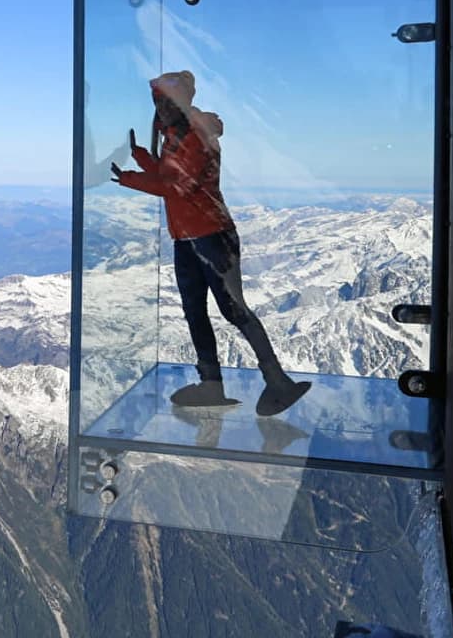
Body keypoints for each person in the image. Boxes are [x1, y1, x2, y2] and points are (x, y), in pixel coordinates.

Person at [110, 70, 310, 417]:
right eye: (157, 102)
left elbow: (178, 187)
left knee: (234, 311)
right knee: (195, 313)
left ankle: (276, 381)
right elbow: (169, 175)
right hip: (188, 239)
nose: (160, 108)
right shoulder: (177, 136)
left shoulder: (197, 137)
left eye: (166, 101)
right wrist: (142, 158)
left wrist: (130, 178)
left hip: (210, 237)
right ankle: (211, 384)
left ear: (181, 102)